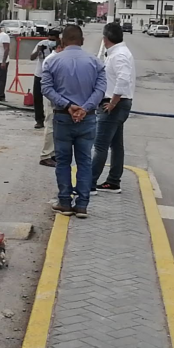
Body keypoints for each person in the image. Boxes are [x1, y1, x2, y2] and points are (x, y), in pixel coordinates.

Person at [41, 24, 106, 219]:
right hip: (87, 119)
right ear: (82, 41)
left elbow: (46, 88)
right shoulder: (96, 62)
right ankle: (82, 205)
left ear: (62, 41)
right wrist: (85, 108)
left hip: (62, 117)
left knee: (63, 162)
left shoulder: (51, 62)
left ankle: (65, 202)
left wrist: (68, 105)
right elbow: (101, 89)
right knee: (84, 161)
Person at [90, 22, 136, 194]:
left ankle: (90, 183)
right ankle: (113, 181)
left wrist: (113, 103)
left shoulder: (119, 55)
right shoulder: (117, 53)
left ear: (106, 38)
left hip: (114, 104)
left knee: (100, 145)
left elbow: (123, 80)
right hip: (118, 103)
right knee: (116, 145)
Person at [39, 37, 63, 167]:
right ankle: (45, 155)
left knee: (55, 125)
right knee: (50, 124)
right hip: (51, 95)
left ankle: (52, 153)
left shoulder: (56, 59)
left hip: (56, 95)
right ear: (59, 48)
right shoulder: (51, 59)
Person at [30, 29, 60, 129]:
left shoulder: (61, 46)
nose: (50, 41)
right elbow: (31, 57)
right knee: (37, 98)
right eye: (49, 38)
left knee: (55, 98)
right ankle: (39, 120)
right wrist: (39, 50)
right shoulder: (42, 44)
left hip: (54, 75)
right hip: (40, 74)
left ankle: (56, 118)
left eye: (53, 39)